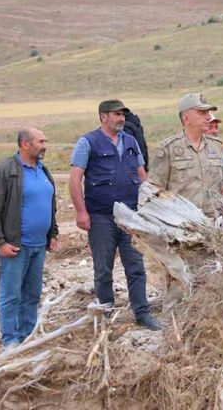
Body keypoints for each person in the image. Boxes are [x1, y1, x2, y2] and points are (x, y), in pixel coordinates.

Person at [69, 100, 160, 330]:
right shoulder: (87, 142)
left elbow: (142, 176)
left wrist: (149, 208)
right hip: (101, 216)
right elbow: (74, 179)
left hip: (130, 215)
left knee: (136, 266)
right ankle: (106, 315)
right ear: (103, 117)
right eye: (116, 114)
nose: (121, 119)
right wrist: (81, 212)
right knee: (103, 269)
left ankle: (142, 313)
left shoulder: (130, 141)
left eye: (122, 115)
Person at [0, 128, 58, 351]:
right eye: (41, 141)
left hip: (39, 246)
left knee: (32, 294)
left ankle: (28, 336)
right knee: (11, 295)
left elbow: (50, 206)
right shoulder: (5, 170)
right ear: (25, 144)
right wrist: (0, 242)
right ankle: (10, 341)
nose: (45, 145)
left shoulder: (43, 170)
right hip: (15, 246)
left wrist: (52, 234)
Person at [149, 93, 223, 217]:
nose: (208, 117)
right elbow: (154, 189)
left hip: (215, 224)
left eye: (208, 112)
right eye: (202, 113)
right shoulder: (168, 149)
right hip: (183, 225)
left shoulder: (217, 146)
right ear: (186, 118)